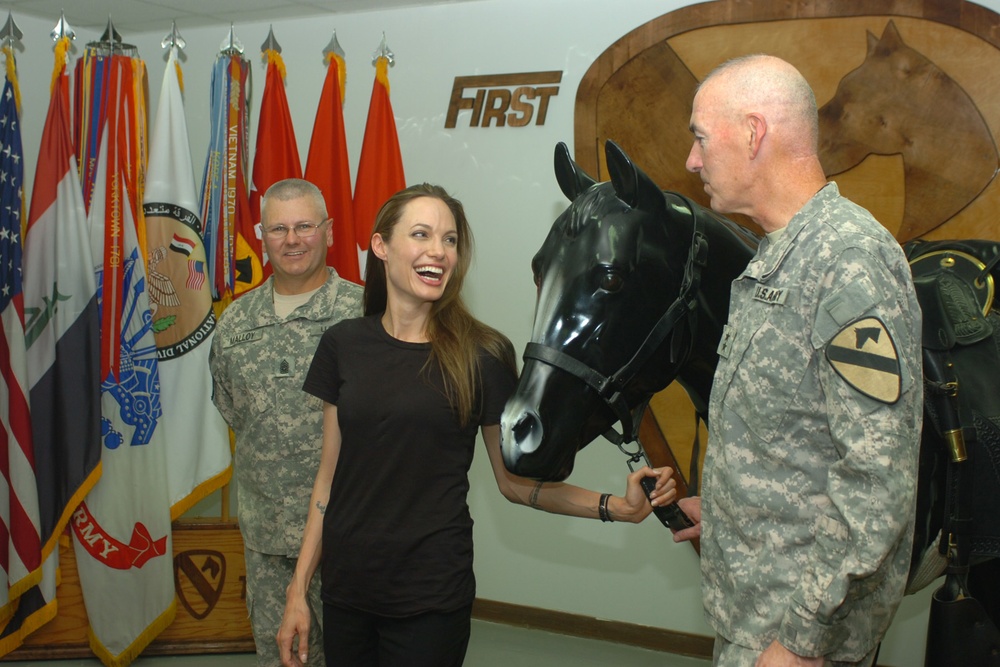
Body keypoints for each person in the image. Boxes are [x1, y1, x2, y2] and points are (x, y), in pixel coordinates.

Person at [276, 183, 676, 667]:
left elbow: (513, 482)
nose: (439, 252)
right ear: (381, 246)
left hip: (430, 598)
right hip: (345, 593)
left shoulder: (481, 354)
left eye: (450, 240)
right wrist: (299, 589)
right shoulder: (342, 345)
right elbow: (328, 480)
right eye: (421, 234)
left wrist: (617, 507)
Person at [672, 55, 923, 667]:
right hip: (753, 620)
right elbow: (796, 438)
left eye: (701, 138)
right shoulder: (774, 258)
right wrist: (732, 506)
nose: (692, 161)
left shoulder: (848, 260)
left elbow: (876, 479)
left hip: (796, 642)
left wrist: (802, 640)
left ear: (755, 132)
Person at [210, 178, 364, 667]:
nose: (292, 239)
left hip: (354, 539)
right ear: (260, 234)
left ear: (330, 231)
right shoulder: (235, 324)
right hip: (270, 544)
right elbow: (235, 412)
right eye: (278, 228)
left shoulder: (366, 316)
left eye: (304, 226)